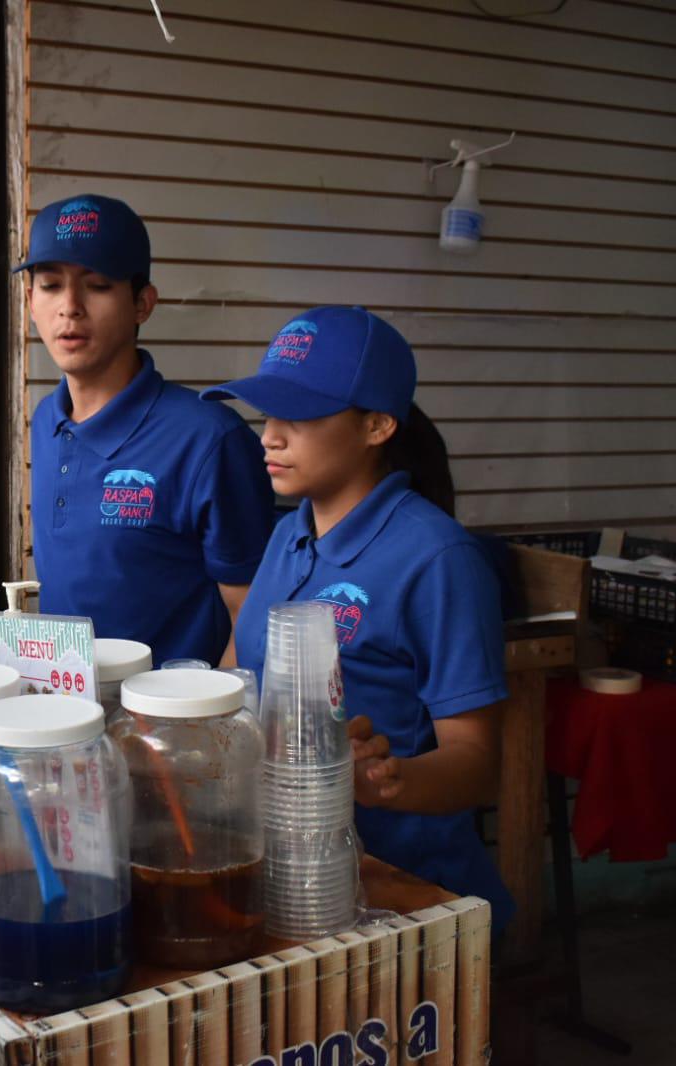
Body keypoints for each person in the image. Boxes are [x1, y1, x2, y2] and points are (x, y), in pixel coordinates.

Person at [206, 305, 515, 933]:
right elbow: (234, 673)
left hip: (406, 895)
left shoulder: (437, 558)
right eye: (268, 413)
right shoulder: (286, 538)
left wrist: (384, 782)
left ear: (376, 425)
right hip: (291, 874)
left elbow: (478, 759)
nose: (270, 435)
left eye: (299, 415)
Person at [20, 194, 275, 666]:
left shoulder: (209, 440)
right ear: (30, 299)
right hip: (68, 724)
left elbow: (253, 621)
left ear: (142, 303)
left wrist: (199, 727)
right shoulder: (45, 423)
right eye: (51, 285)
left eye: (96, 285)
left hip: (171, 731)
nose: (69, 308)